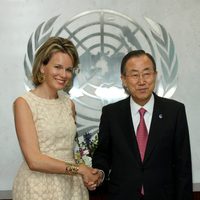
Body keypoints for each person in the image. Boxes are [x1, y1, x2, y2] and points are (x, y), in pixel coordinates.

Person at [92, 50, 193, 200]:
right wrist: (100, 172)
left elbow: (182, 165)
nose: (141, 81)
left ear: (155, 75)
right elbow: (103, 154)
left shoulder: (174, 111)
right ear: (124, 79)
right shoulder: (111, 114)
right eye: (134, 75)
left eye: (146, 73)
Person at [12, 36, 99, 200]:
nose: (64, 74)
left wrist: (88, 175)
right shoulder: (24, 104)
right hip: (37, 187)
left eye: (68, 69)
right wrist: (79, 169)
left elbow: (68, 148)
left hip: (71, 187)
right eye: (57, 67)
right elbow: (34, 161)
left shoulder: (68, 103)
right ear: (42, 67)